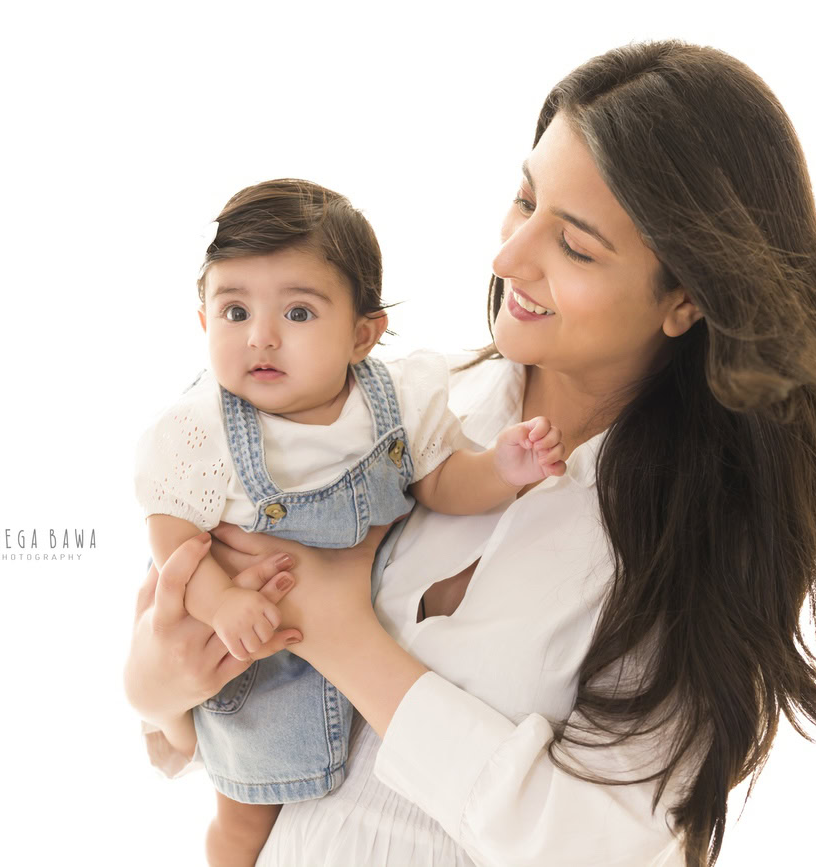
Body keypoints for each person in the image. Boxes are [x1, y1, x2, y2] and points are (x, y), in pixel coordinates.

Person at [124, 39, 816, 867]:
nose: (508, 258)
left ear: (685, 300)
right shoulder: (404, 412)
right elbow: (211, 709)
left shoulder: (689, 541)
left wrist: (343, 636)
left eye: (578, 246)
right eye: (524, 201)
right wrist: (158, 691)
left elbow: (609, 849)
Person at [133, 178, 567, 865]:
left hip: (356, 673)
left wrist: (501, 470)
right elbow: (173, 537)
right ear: (203, 321)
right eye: (234, 310)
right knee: (245, 823)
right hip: (255, 665)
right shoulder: (203, 427)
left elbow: (440, 482)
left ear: (363, 334)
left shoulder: (398, 403)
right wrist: (224, 601)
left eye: (299, 313)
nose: (261, 337)